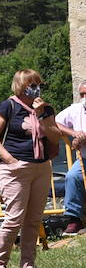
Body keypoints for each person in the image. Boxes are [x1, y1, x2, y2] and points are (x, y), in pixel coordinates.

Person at [0, 68, 62, 268]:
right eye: (31, 85)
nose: (36, 89)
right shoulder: (7, 106)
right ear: (20, 86)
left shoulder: (45, 108)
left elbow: (55, 137)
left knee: (33, 219)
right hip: (15, 168)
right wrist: (10, 160)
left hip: (41, 166)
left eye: (38, 84)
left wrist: (43, 115)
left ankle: (28, 267)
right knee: (14, 218)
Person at [56, 78, 86, 236]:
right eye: (82, 94)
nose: (84, 97)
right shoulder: (75, 109)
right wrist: (73, 133)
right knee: (72, 176)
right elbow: (55, 123)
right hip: (84, 159)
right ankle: (74, 219)